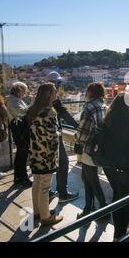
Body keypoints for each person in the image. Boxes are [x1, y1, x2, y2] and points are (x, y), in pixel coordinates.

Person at [97, 93, 129, 240]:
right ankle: (120, 233)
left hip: (110, 168)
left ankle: (118, 234)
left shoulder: (106, 121)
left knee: (117, 197)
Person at [26, 83, 63, 226]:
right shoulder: (49, 112)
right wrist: (58, 133)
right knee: (45, 186)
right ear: (49, 95)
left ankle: (37, 211)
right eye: (54, 92)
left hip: (35, 152)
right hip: (46, 155)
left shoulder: (33, 109)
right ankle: (45, 217)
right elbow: (52, 135)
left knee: (36, 182)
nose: (57, 94)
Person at [74, 83, 107, 219]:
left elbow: (83, 131)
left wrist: (76, 139)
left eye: (87, 91)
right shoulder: (102, 106)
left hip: (88, 148)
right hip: (98, 147)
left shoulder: (89, 106)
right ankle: (88, 209)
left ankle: (103, 210)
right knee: (87, 177)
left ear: (90, 93)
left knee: (92, 179)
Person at [46, 71, 79, 203]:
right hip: (54, 135)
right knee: (63, 163)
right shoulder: (53, 99)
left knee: (48, 165)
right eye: (59, 83)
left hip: (43, 137)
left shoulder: (39, 97)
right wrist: (78, 126)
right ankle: (63, 193)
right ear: (55, 84)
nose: (60, 86)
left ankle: (47, 192)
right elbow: (64, 114)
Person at [6, 81, 31, 187]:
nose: (25, 93)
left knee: (21, 154)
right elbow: (21, 113)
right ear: (19, 90)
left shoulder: (14, 99)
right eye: (24, 91)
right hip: (19, 129)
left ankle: (19, 177)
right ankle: (22, 178)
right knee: (22, 154)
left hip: (18, 129)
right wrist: (33, 105)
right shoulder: (12, 100)